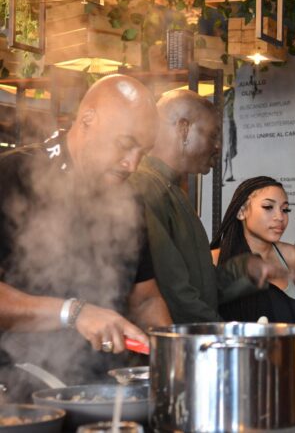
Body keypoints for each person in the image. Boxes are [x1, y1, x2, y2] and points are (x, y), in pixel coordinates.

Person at [0, 75, 171, 397]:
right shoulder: (11, 177)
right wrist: (73, 313)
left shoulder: (128, 203)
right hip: (19, 387)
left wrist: (174, 357)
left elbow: (145, 298)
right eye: (125, 144)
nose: (132, 164)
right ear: (88, 120)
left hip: (105, 388)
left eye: (143, 152)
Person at [129, 90, 286, 324]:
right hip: (171, 347)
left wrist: (246, 271)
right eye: (213, 135)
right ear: (183, 129)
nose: (218, 147)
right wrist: (222, 335)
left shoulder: (173, 191)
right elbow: (174, 292)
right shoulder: (146, 188)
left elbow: (201, 285)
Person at [210, 177, 295, 323]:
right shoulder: (215, 259)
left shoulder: (292, 256)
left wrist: (283, 315)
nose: (280, 217)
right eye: (268, 207)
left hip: (288, 344)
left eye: (285, 209)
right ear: (241, 212)